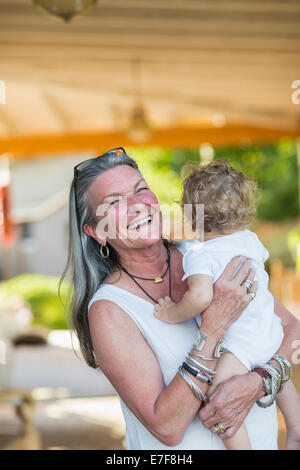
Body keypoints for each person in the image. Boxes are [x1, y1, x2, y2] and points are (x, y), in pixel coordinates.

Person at [60, 147, 300, 450]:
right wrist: (212, 329)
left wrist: (261, 380)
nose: (136, 205)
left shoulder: (207, 253)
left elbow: (291, 329)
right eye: (115, 202)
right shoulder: (110, 309)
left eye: (140, 190)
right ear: (96, 232)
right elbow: (167, 427)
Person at [154, 160, 300, 450]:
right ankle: (296, 427)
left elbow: (199, 297)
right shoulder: (251, 240)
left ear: (191, 213)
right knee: (279, 377)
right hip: (269, 332)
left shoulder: (200, 254)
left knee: (218, 397)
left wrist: (171, 312)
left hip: (240, 345)